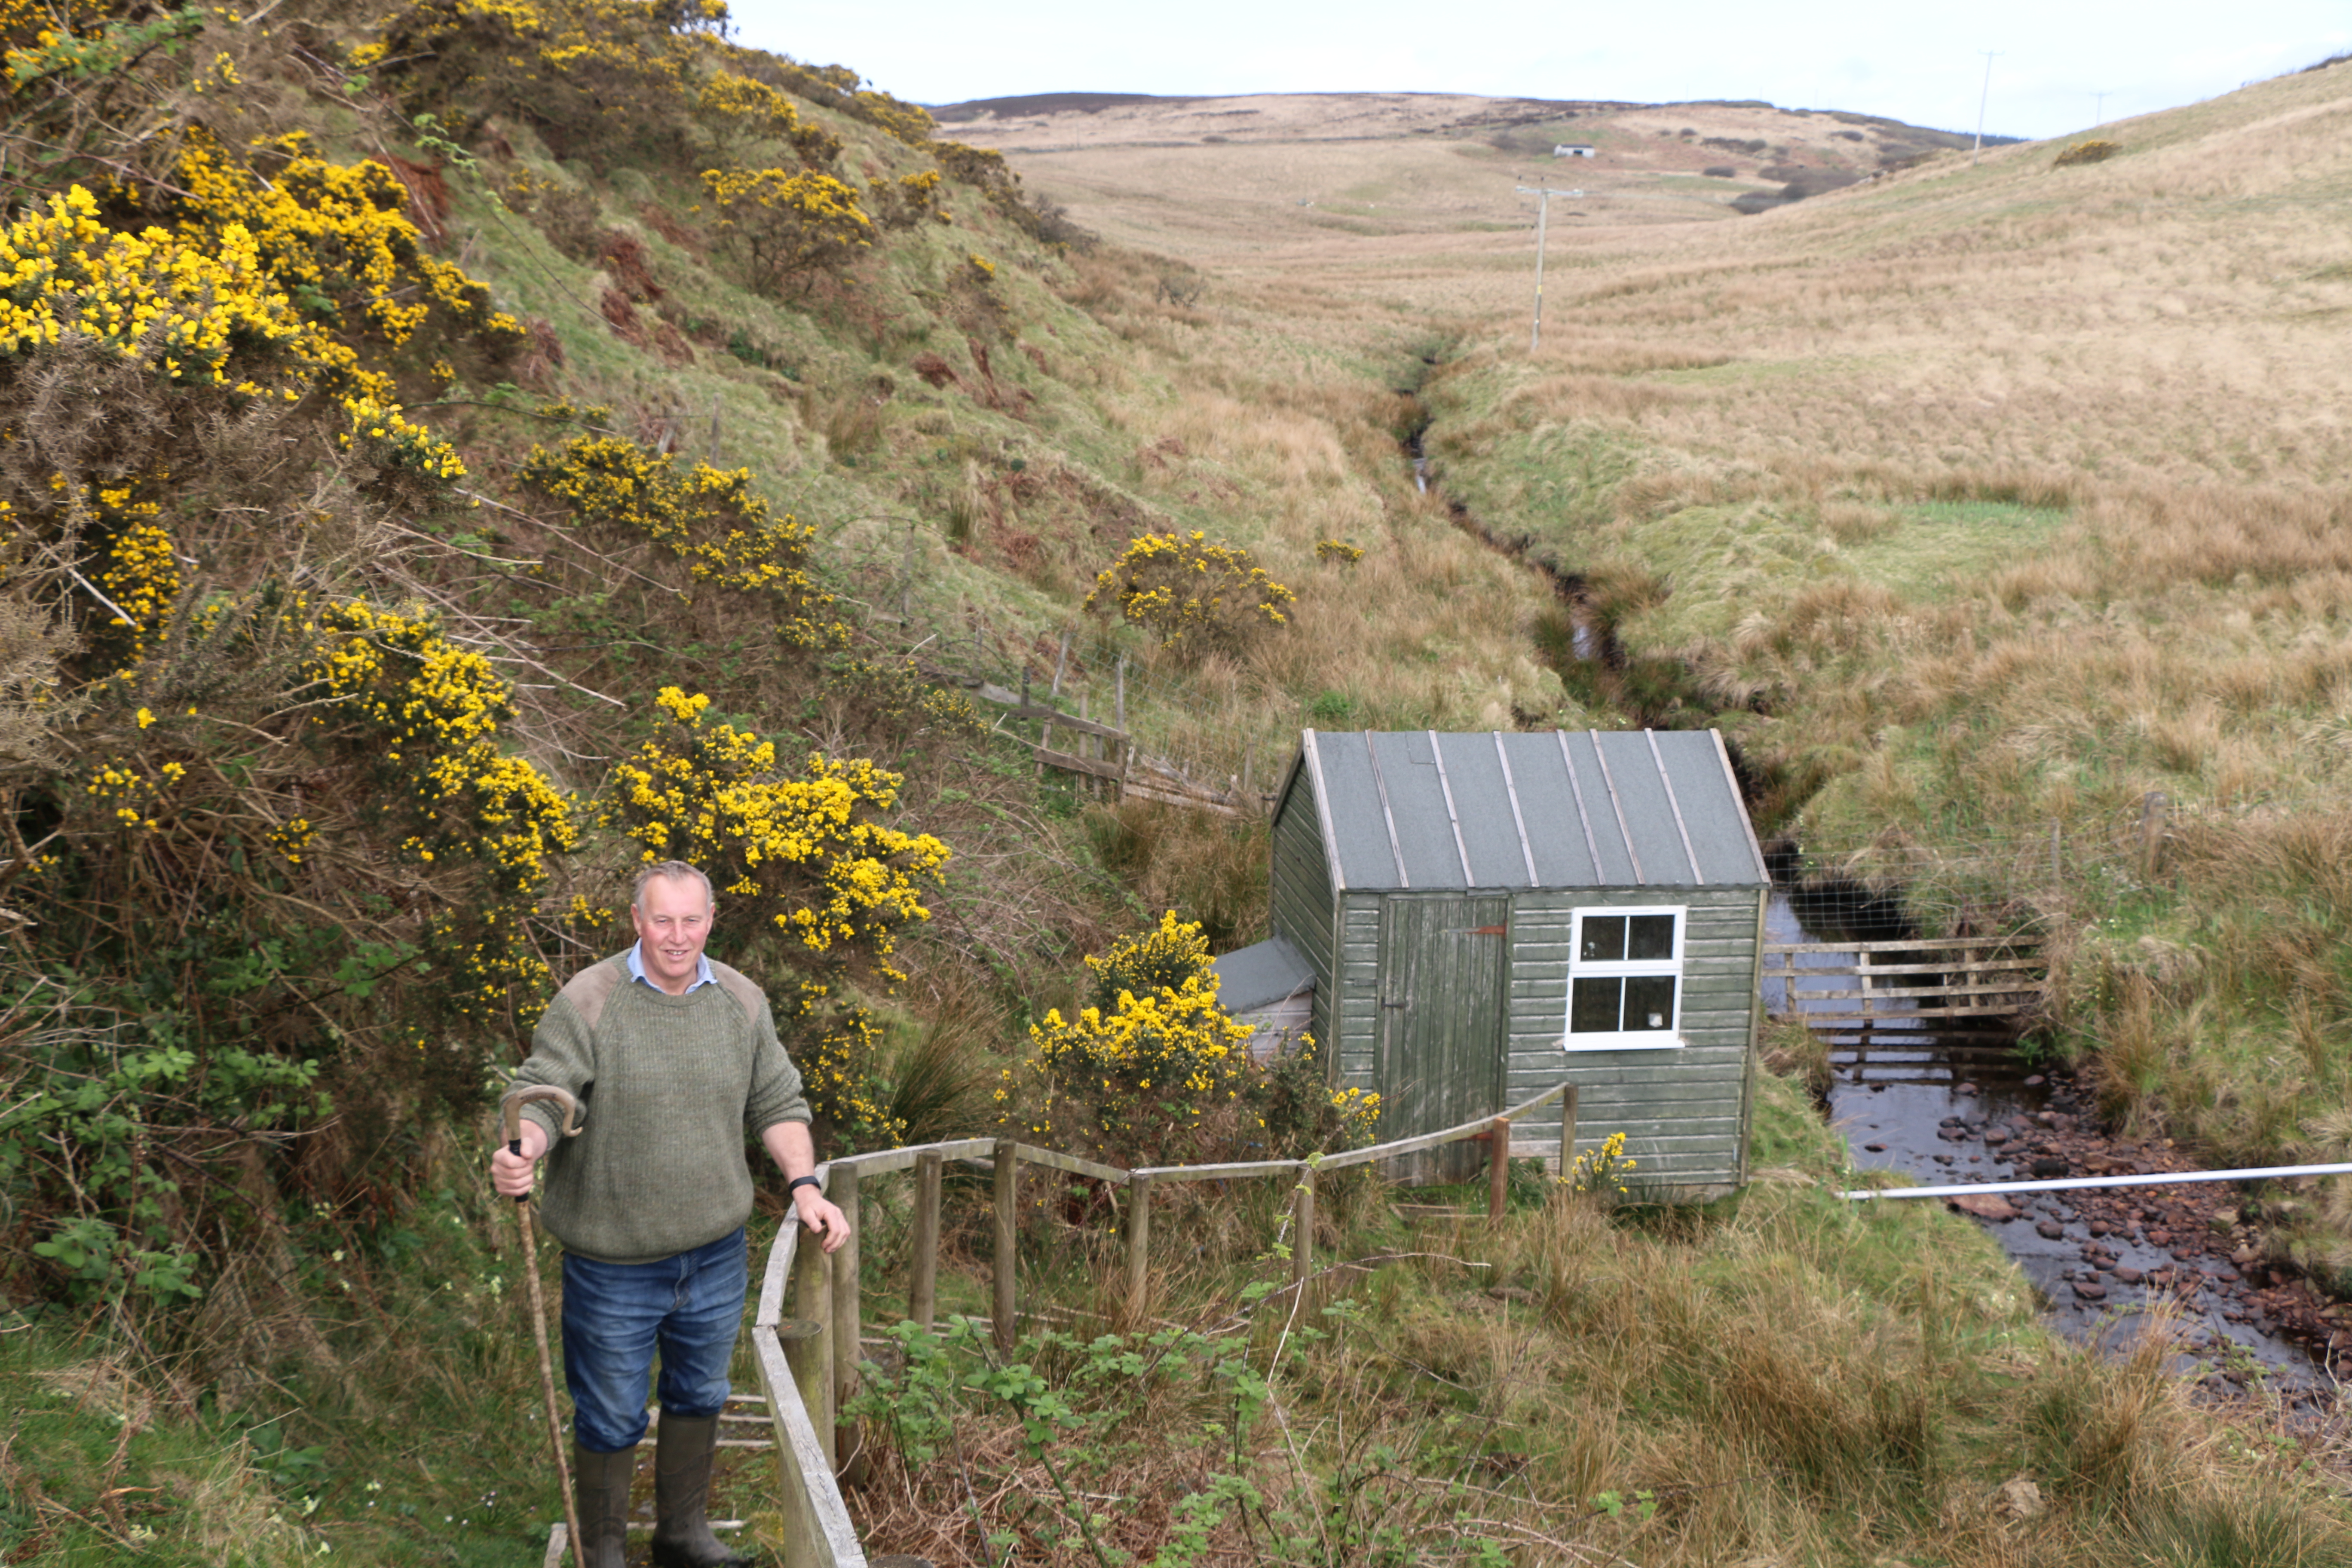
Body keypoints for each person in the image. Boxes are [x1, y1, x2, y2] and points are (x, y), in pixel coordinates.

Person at [493, 859, 849, 1568]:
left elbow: (777, 1102)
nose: (677, 936)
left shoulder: (742, 1003)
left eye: (691, 920)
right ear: (636, 921)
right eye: (662, 920)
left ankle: (682, 1537)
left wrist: (805, 1186)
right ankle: (605, 1553)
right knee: (613, 1414)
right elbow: (545, 1092)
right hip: (612, 1262)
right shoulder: (590, 1001)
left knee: (701, 1393)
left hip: (715, 1254)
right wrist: (522, 1149)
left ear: (711, 922)